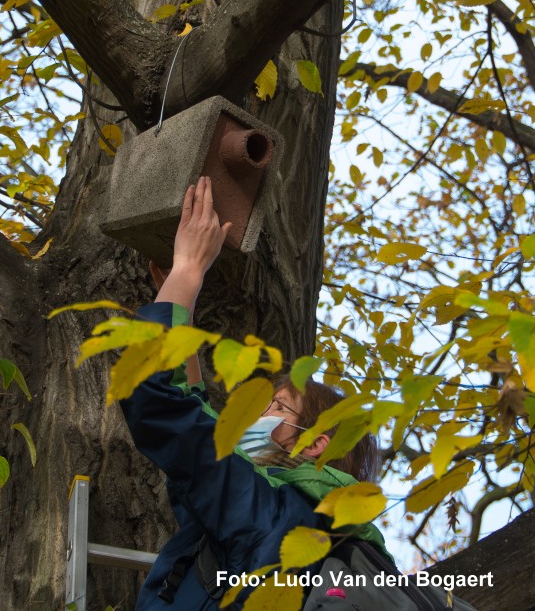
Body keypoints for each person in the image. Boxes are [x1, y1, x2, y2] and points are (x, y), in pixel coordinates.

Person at [120, 176, 388, 609]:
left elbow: (159, 401)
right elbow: (195, 423)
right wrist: (179, 302)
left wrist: (188, 269)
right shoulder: (294, 530)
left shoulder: (270, 515)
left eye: (278, 406)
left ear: (315, 442)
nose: (254, 416)